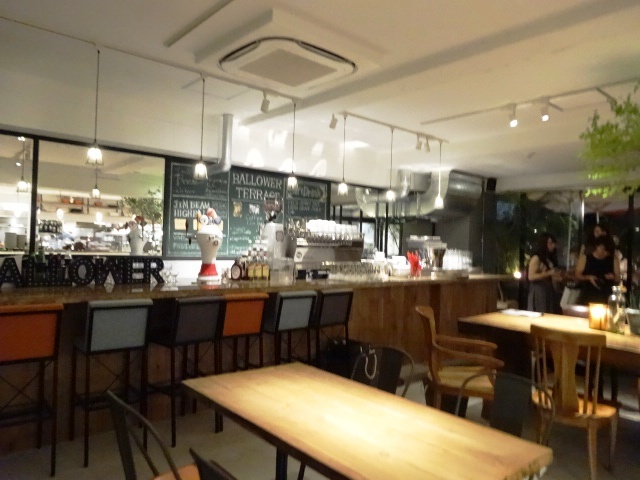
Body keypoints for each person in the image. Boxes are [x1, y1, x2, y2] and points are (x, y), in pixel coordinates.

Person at [575, 235, 620, 305]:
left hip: (606, 295)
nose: (605, 253)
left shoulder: (613, 259)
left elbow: (618, 279)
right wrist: (588, 277)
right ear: (597, 246)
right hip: (588, 295)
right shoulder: (585, 258)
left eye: (607, 252)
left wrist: (613, 277)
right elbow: (577, 275)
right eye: (602, 249)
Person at [527, 233, 562, 313]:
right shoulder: (536, 258)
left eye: (553, 243)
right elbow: (531, 276)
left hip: (548, 289)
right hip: (538, 290)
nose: (553, 246)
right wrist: (548, 273)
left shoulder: (548, 258)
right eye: (550, 243)